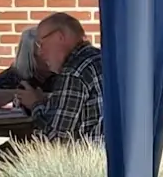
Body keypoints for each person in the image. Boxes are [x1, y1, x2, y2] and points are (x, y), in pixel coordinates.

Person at [19, 13, 103, 141]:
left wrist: (35, 105)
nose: (40, 52)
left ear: (59, 37)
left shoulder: (74, 72)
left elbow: (56, 140)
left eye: (41, 44)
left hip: (83, 158)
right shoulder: (100, 59)